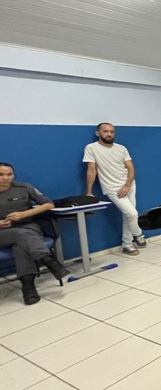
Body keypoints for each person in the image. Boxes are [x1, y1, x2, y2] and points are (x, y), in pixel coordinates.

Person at [0, 162, 70, 305]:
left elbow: (49, 204)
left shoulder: (24, 187)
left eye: (9, 174)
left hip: (28, 227)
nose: (6, 178)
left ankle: (29, 288)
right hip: (3, 233)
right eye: (1, 175)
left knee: (20, 245)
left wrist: (23, 214)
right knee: (20, 235)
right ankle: (48, 260)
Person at [84, 122, 147, 255]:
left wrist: (127, 185)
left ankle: (127, 244)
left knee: (128, 216)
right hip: (112, 188)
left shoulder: (121, 148)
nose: (109, 134)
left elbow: (130, 167)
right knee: (132, 214)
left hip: (129, 185)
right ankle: (138, 234)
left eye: (112, 132)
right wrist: (88, 192)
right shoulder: (91, 148)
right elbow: (91, 170)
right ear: (98, 133)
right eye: (106, 131)